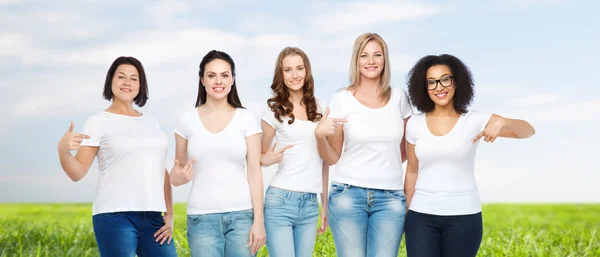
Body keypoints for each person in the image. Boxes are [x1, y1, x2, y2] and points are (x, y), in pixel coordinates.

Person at [404, 54, 536, 257]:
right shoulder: (415, 123)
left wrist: (503, 122)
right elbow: (412, 171)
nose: (439, 87)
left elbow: (528, 132)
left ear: (456, 82)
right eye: (431, 82)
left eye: (445, 79)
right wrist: (406, 213)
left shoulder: (474, 120)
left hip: (464, 216)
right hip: (421, 216)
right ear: (424, 88)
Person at [57, 56, 176, 257]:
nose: (127, 82)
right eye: (121, 77)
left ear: (141, 85)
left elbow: (160, 170)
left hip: (154, 217)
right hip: (114, 216)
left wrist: (170, 213)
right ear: (111, 81)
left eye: (134, 78)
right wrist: (63, 149)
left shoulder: (152, 123)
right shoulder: (98, 121)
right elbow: (76, 172)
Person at [314, 33, 413, 257]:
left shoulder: (400, 98)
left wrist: (382, 163)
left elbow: (407, 150)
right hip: (348, 196)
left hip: (390, 198)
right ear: (356, 61)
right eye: (364, 55)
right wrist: (320, 135)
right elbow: (333, 157)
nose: (371, 61)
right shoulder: (341, 99)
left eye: (377, 55)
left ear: (385, 60)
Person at [170, 50, 266, 257]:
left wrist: (259, 221)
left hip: (242, 216)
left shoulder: (246, 119)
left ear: (232, 80)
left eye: (224, 75)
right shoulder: (186, 121)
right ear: (202, 80)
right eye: (211, 75)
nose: (218, 81)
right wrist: (178, 177)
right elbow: (177, 174)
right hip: (201, 218)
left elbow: (255, 173)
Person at [261, 47, 329, 257]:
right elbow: (258, 156)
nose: (295, 75)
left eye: (299, 68)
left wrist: (323, 203)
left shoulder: (321, 108)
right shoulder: (273, 110)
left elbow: (325, 160)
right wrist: (267, 159)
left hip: (309, 204)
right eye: (288, 70)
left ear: (307, 71)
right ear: (281, 74)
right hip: (280, 200)